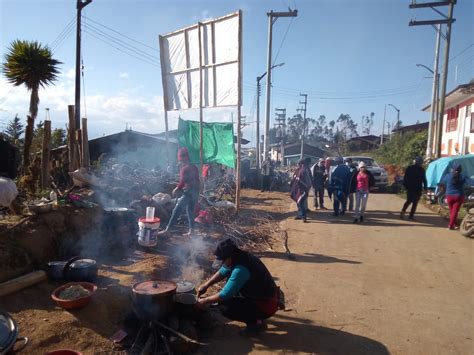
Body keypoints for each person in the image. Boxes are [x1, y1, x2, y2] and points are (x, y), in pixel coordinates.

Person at [197, 238, 278, 336]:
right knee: (227, 298)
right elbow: (223, 271)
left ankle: (256, 325)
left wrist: (204, 301)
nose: (222, 263)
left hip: (266, 305)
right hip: (264, 297)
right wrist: (206, 285)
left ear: (229, 257)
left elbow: (225, 294)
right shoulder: (240, 256)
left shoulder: (240, 270)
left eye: (223, 260)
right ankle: (256, 318)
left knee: (225, 308)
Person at [158, 147, 200, 236]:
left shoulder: (185, 169)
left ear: (184, 158)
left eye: (181, 159)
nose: (180, 161)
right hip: (195, 191)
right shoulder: (194, 167)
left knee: (177, 209)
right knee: (190, 211)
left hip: (188, 192)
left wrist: (176, 189)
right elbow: (196, 180)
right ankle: (191, 231)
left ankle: (168, 229)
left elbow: (182, 181)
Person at [440, 164, 473, 230]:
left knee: (452, 211)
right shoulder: (463, 176)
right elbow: (471, 182)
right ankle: (450, 225)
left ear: (452, 169)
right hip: (459, 196)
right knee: (454, 211)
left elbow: (443, 182)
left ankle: (453, 224)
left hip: (449, 196)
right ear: (460, 170)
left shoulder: (448, 176)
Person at [401, 156, 427, 220]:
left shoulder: (409, 168)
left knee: (408, 201)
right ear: (421, 162)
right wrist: (425, 188)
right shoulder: (422, 170)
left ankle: (402, 212)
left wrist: (405, 185)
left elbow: (405, 178)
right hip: (417, 188)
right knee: (415, 202)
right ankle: (411, 216)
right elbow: (424, 180)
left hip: (410, 188)